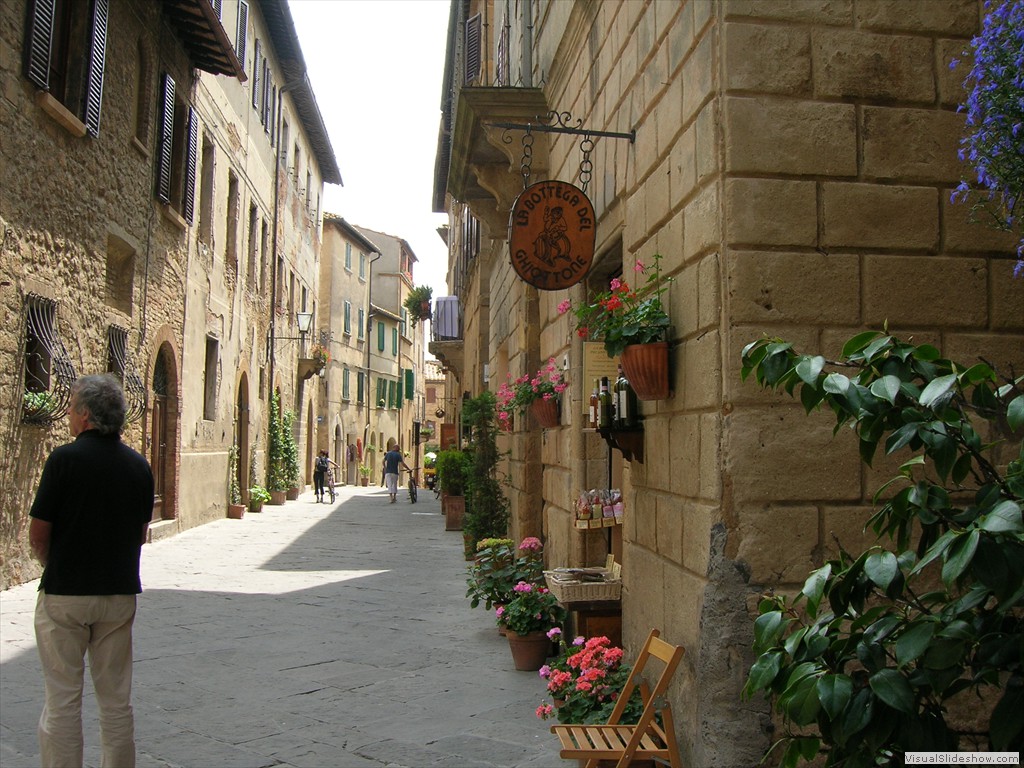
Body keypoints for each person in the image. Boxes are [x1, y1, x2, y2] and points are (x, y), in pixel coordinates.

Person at [28, 374, 154, 768]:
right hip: (117, 593)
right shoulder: (139, 467)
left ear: (84, 415)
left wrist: (56, 563)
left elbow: (38, 533)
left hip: (65, 593)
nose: (67, 413)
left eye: (70, 407)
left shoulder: (63, 460)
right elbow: (140, 533)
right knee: (116, 701)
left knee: (63, 699)